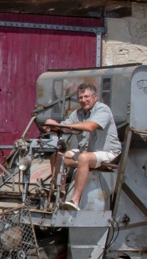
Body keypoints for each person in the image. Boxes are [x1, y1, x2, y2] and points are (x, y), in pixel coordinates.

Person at [44, 83, 121, 211]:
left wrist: (63, 126)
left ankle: (74, 200)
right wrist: (52, 125)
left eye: (86, 96)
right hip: (88, 152)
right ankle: (59, 191)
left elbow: (89, 126)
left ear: (95, 97)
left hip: (108, 152)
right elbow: (63, 127)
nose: (83, 100)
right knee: (56, 156)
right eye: (80, 97)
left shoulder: (103, 109)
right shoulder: (78, 113)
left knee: (84, 158)